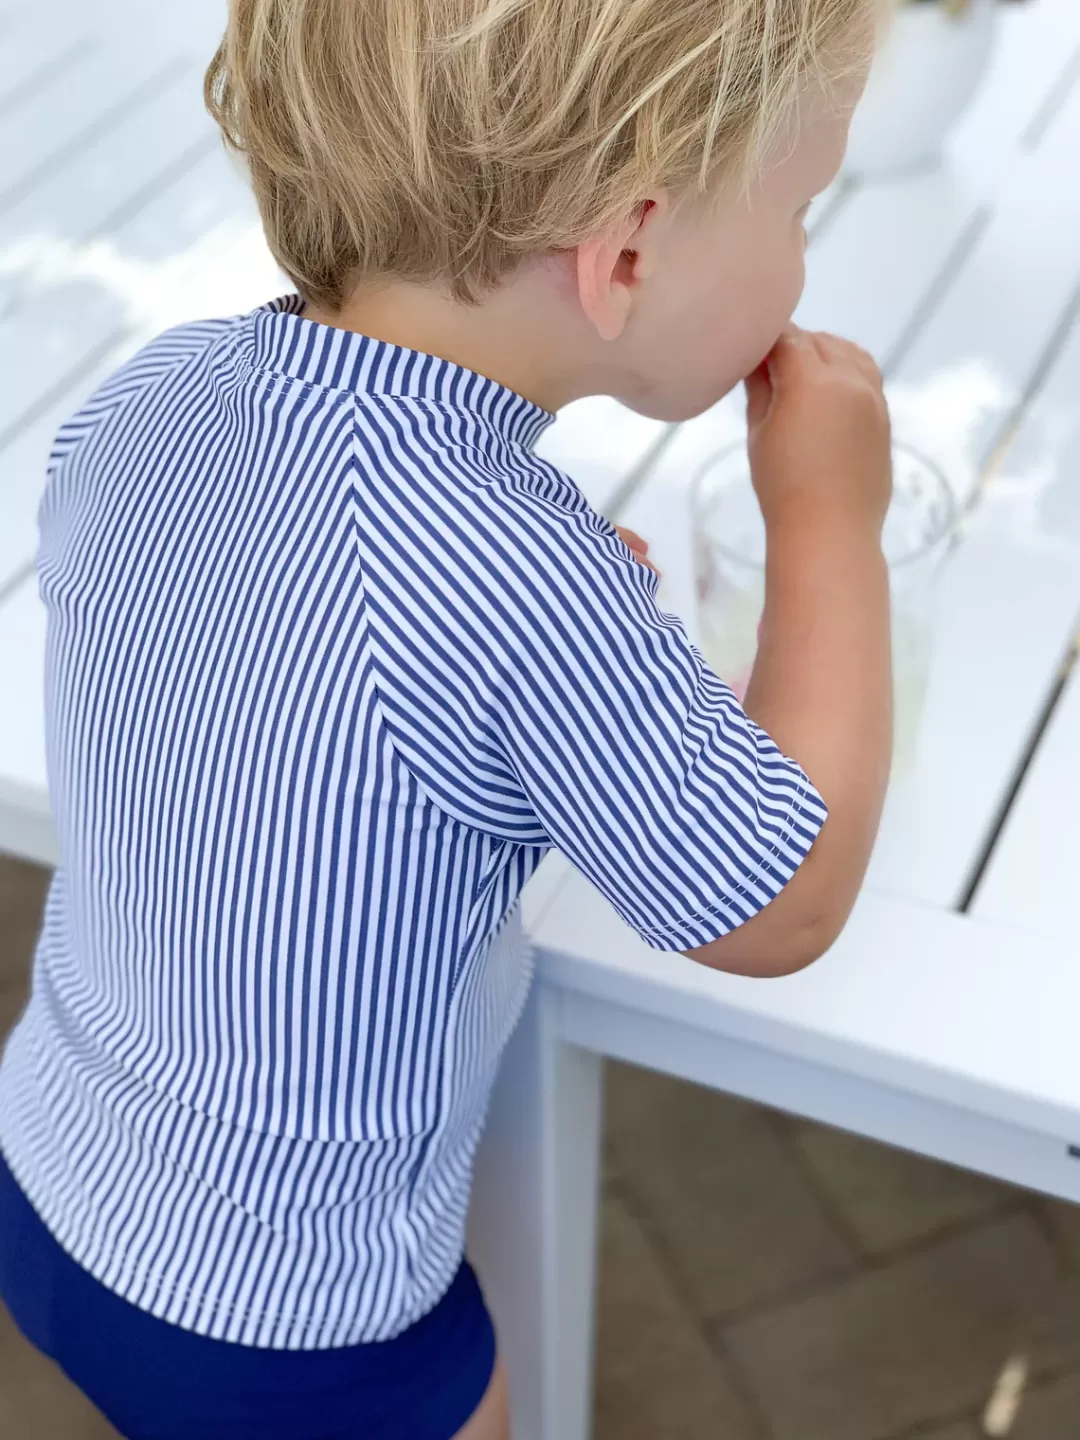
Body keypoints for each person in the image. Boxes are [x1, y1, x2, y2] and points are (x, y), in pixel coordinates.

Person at [0, 0, 893, 1435]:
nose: (802, 260)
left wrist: (527, 660)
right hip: (292, 1329)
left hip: (52, 1172)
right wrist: (830, 517)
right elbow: (779, 905)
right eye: (804, 206)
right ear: (627, 252)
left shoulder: (159, 386)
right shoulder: (515, 573)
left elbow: (264, 650)